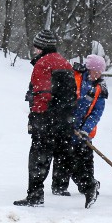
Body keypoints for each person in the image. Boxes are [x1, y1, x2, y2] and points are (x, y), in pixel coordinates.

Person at [14, 30, 75, 207]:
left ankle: (35, 195)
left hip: (46, 117)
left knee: (39, 155)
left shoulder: (42, 64)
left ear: (42, 47)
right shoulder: (64, 63)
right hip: (65, 118)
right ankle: (61, 186)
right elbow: (72, 93)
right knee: (62, 153)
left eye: (36, 46)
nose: (34, 50)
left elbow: (42, 93)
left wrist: (35, 116)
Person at [53, 54, 108, 208]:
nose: (97, 74)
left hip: (84, 132)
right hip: (66, 126)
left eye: (100, 72)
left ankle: (89, 184)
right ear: (88, 69)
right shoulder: (74, 77)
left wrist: (85, 129)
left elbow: (97, 112)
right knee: (65, 158)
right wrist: (66, 118)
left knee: (85, 159)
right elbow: (63, 98)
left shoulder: (100, 89)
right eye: (94, 71)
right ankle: (63, 186)